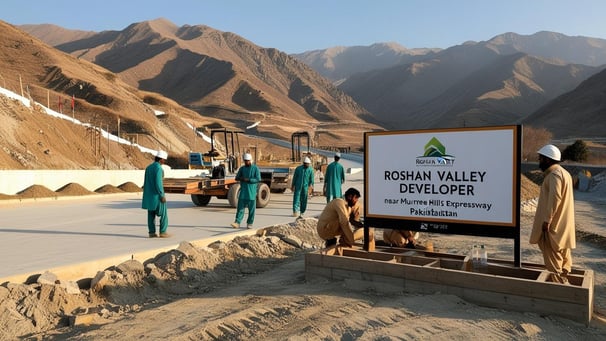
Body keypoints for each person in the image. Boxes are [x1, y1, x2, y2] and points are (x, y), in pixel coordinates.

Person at [529, 144, 576, 284]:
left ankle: (559, 287)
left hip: (553, 225)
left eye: (541, 159)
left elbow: (555, 198)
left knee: (553, 257)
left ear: (548, 160)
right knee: (563, 253)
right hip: (563, 225)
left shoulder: (554, 176)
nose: (539, 162)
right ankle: (564, 279)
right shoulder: (564, 173)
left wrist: (547, 220)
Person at [142, 150, 169, 238]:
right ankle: (163, 232)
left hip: (149, 196)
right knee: (164, 214)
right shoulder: (158, 168)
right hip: (157, 196)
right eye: (164, 160)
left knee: (151, 214)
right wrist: (161, 195)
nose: (164, 162)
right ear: (161, 159)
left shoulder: (148, 167)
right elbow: (158, 183)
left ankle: (152, 233)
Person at [231, 153, 261, 229]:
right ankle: (237, 222)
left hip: (251, 193)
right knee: (240, 208)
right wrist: (241, 178)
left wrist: (249, 180)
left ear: (251, 160)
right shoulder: (242, 169)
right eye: (245, 161)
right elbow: (237, 177)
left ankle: (250, 223)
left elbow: (258, 179)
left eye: (248, 161)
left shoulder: (255, 168)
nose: (246, 162)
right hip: (243, 192)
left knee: (251, 210)